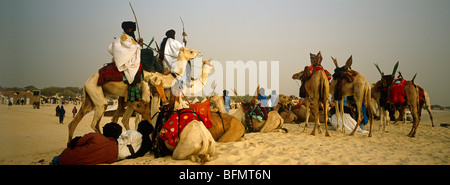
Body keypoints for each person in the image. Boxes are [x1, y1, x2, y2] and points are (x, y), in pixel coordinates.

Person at [52, 122, 123, 165]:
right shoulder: (115, 152)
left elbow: (73, 143)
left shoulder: (95, 136)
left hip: (65, 159)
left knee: (58, 158)